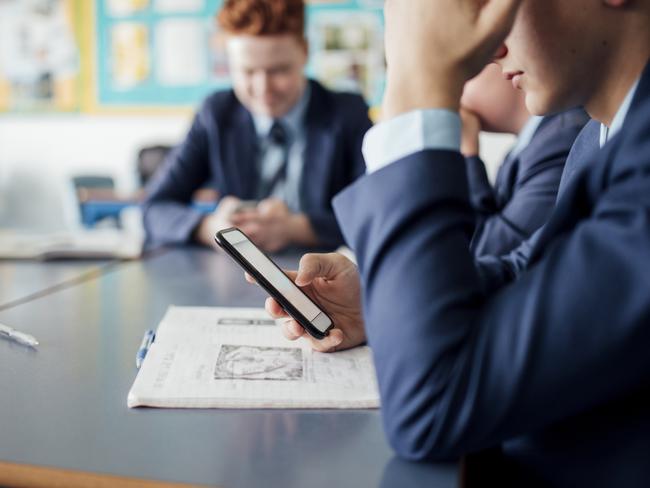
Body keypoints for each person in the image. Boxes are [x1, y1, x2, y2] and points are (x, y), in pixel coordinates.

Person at [263, 0, 650, 485]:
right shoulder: (599, 136)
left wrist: (418, 82)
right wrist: (380, 301)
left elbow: (432, 409)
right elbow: (529, 272)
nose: (491, 49)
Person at [143, 0, 371, 252]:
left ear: (305, 52)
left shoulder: (348, 114)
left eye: (279, 70)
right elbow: (155, 208)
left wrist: (296, 228)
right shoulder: (217, 113)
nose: (264, 89)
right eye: (248, 71)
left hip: (324, 280)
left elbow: (374, 215)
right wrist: (212, 229)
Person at [460, 64, 588, 256]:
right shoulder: (522, 152)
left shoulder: (563, 140)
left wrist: (466, 154)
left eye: (462, 75)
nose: (453, 99)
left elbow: (481, 254)